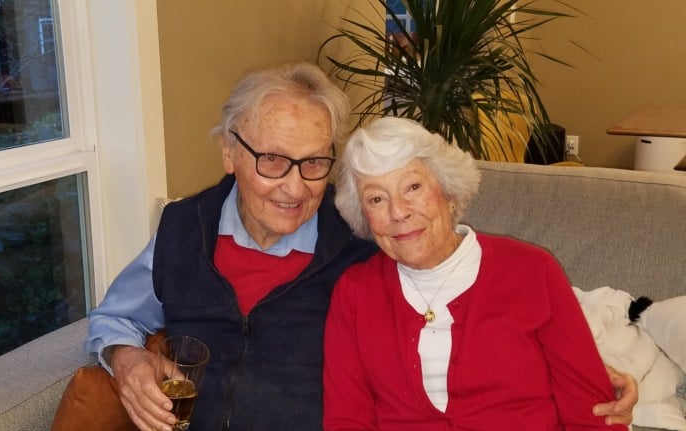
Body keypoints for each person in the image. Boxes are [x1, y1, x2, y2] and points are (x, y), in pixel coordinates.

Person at [83, 62, 636, 431]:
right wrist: (126, 360)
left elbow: (464, 283)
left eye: (316, 162)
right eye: (273, 160)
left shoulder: (359, 241)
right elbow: (112, 320)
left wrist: (592, 362)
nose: (296, 186)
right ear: (230, 151)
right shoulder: (183, 227)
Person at [324, 116, 631, 430]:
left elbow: (595, 417)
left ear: (448, 193)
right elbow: (347, 420)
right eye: (376, 199)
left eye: (413, 187)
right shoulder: (356, 293)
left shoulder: (532, 272)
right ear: (363, 215)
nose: (398, 212)